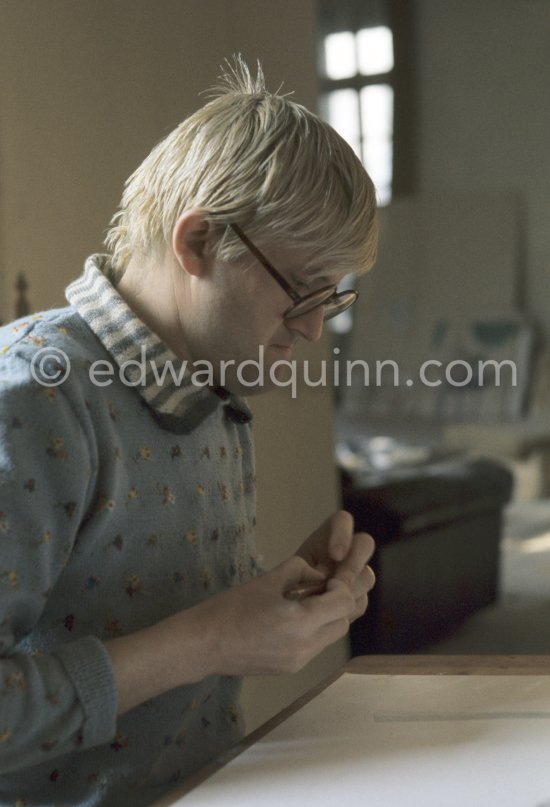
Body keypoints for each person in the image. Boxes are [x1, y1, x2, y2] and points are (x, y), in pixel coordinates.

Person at [0, 58, 378, 806]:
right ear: (199, 240)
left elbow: (133, 599)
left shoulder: (211, 387)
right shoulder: (36, 397)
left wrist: (271, 599)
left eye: (329, 299)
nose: (309, 328)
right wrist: (210, 639)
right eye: (300, 290)